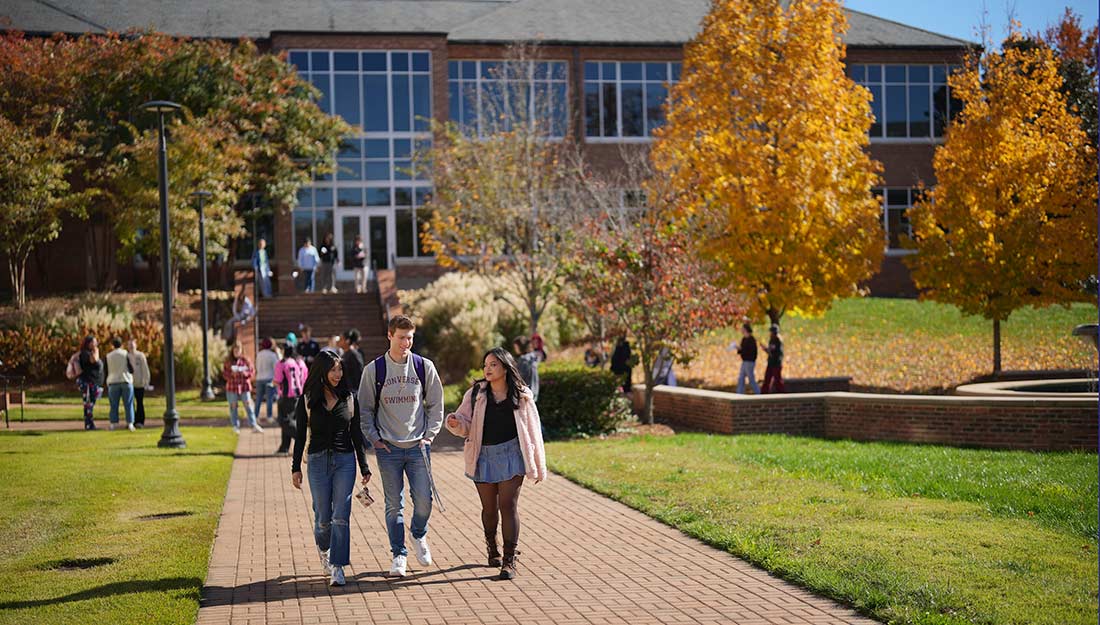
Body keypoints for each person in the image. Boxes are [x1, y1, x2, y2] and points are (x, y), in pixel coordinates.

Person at [445, 347, 547, 580]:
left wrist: (539, 465)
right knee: (489, 509)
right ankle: (492, 546)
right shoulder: (476, 394)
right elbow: (465, 423)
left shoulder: (521, 395)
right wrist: (454, 422)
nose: (487, 369)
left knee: (508, 506)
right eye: (485, 365)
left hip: (513, 454)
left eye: (493, 364)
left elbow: (533, 432)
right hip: (483, 456)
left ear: (505, 367)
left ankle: (509, 560)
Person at [358, 315, 444, 578]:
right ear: (389, 335)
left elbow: (436, 404)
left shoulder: (423, 366)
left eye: (410, 338)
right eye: (401, 337)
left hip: (419, 446)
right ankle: (399, 555)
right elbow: (365, 409)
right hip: (389, 449)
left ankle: (418, 534)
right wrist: (374, 439)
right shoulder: (375, 370)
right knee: (394, 505)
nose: (406, 342)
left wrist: (429, 435)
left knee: (423, 502)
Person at [291, 349, 372, 587]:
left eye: (340, 369)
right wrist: (295, 468)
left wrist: (364, 465)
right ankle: (323, 547)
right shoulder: (307, 400)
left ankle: (338, 567)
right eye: (333, 369)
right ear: (322, 371)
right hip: (317, 461)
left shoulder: (349, 398)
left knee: (341, 516)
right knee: (322, 517)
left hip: (345, 461)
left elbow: (356, 434)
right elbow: (298, 435)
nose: (338, 374)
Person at [223, 340, 263, 434]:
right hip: (232, 387)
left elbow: (252, 372)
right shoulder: (228, 362)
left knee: (248, 405)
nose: (237, 352)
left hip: (244, 386)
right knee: (233, 406)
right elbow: (225, 374)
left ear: (241, 350)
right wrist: (232, 374)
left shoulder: (246, 360)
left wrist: (244, 373)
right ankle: (235, 426)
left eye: (238, 350)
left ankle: (253, 424)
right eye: (235, 350)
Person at [274, 344, 308, 455]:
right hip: (298, 394)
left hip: (287, 395)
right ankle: (284, 447)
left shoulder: (282, 363)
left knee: (284, 420)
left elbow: (278, 380)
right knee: (291, 419)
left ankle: (304, 440)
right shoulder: (297, 362)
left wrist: (274, 383)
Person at [103, 336, 136, 431]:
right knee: (128, 403)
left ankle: (113, 423)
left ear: (112, 345)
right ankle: (130, 423)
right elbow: (131, 369)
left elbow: (105, 370)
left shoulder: (108, 356)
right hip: (125, 380)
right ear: (121, 344)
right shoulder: (126, 354)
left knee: (113, 404)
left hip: (113, 381)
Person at [76, 335, 103, 430]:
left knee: (90, 404)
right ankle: (89, 425)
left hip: (93, 382)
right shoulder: (85, 353)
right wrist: (96, 350)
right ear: (88, 343)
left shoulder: (90, 352)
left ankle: (90, 424)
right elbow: (94, 360)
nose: (95, 344)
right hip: (87, 382)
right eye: (93, 342)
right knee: (88, 404)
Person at [728, 323, 761, 394]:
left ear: (746, 330)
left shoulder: (752, 340)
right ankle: (739, 393)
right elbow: (742, 350)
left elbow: (750, 351)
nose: (741, 330)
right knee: (741, 378)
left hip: (749, 362)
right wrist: (737, 348)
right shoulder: (744, 339)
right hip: (744, 361)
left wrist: (741, 349)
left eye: (743, 329)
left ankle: (758, 393)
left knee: (751, 379)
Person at [127, 339, 152, 428]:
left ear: (136, 345)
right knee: (130, 403)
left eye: (132, 345)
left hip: (139, 383)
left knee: (139, 402)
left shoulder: (140, 356)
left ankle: (140, 421)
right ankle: (132, 421)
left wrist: (146, 381)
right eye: (129, 345)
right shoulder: (127, 356)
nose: (131, 347)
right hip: (130, 383)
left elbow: (145, 369)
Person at [255, 337, 280, 424]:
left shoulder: (259, 354)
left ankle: (256, 416)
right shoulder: (272, 355)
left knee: (258, 399)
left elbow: (257, 366)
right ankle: (269, 416)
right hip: (269, 378)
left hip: (259, 378)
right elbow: (277, 367)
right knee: (269, 399)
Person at [512, 335, 540, 403]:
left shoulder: (523, 360)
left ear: (521, 346)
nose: (515, 349)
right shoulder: (532, 357)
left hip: (525, 395)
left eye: (516, 347)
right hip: (534, 392)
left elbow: (520, 378)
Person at [761, 324, 785, 394]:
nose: (770, 333)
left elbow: (775, 352)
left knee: (777, 380)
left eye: (771, 332)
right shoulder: (771, 340)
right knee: (767, 379)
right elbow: (770, 351)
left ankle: (782, 394)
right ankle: (763, 394)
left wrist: (767, 350)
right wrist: (765, 349)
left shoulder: (778, 341)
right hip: (770, 363)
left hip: (776, 363)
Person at [341, 329, 365, 393]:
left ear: (347, 341)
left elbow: (359, 372)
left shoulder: (354, 355)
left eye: (341, 339)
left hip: (354, 391)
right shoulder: (344, 354)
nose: (339, 342)